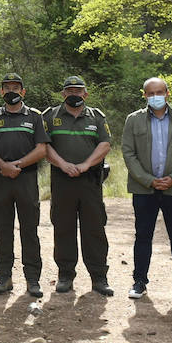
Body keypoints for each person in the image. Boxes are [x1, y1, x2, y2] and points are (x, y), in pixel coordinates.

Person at [122, 77, 172, 301]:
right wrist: (148, 179)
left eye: (159, 92)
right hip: (144, 189)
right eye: (150, 93)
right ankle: (139, 282)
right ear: (144, 95)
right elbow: (128, 153)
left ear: (167, 93)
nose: (155, 96)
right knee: (143, 235)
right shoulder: (133, 120)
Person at [42, 77, 114, 296]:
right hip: (62, 180)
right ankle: (65, 275)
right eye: (69, 90)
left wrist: (85, 165)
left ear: (86, 94)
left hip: (90, 180)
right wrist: (63, 165)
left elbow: (105, 144)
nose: (74, 93)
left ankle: (99, 277)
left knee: (94, 229)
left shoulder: (97, 117)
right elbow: (43, 145)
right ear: (63, 94)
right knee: (63, 228)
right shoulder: (50, 116)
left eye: (78, 90)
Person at [0, 73, 48, 298]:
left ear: (23, 91)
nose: (11, 91)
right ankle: (4, 277)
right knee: (2, 229)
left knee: (30, 230)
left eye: (16, 87)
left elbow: (41, 149)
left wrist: (17, 165)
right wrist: (4, 166)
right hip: (1, 180)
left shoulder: (35, 116)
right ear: (1, 91)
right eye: (7, 87)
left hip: (26, 179)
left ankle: (33, 279)